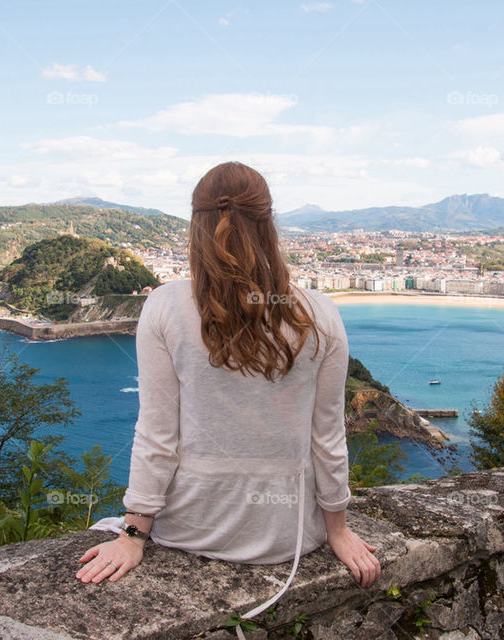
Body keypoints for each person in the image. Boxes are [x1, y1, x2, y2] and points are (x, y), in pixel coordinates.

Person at [75, 161, 381, 623]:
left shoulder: (164, 306)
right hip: (289, 534)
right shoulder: (320, 313)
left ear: (196, 226)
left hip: (190, 526)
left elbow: (157, 433)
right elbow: (327, 437)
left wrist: (133, 536)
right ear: (269, 224)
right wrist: (337, 529)